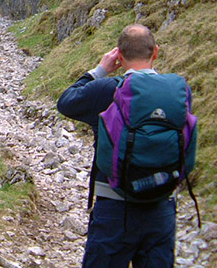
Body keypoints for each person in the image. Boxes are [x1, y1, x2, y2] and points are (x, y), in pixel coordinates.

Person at [57, 24, 178, 268]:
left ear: (119, 57)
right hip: (161, 207)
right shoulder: (175, 93)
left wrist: (100, 70)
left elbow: (66, 101)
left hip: (114, 207)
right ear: (156, 52)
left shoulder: (106, 90)